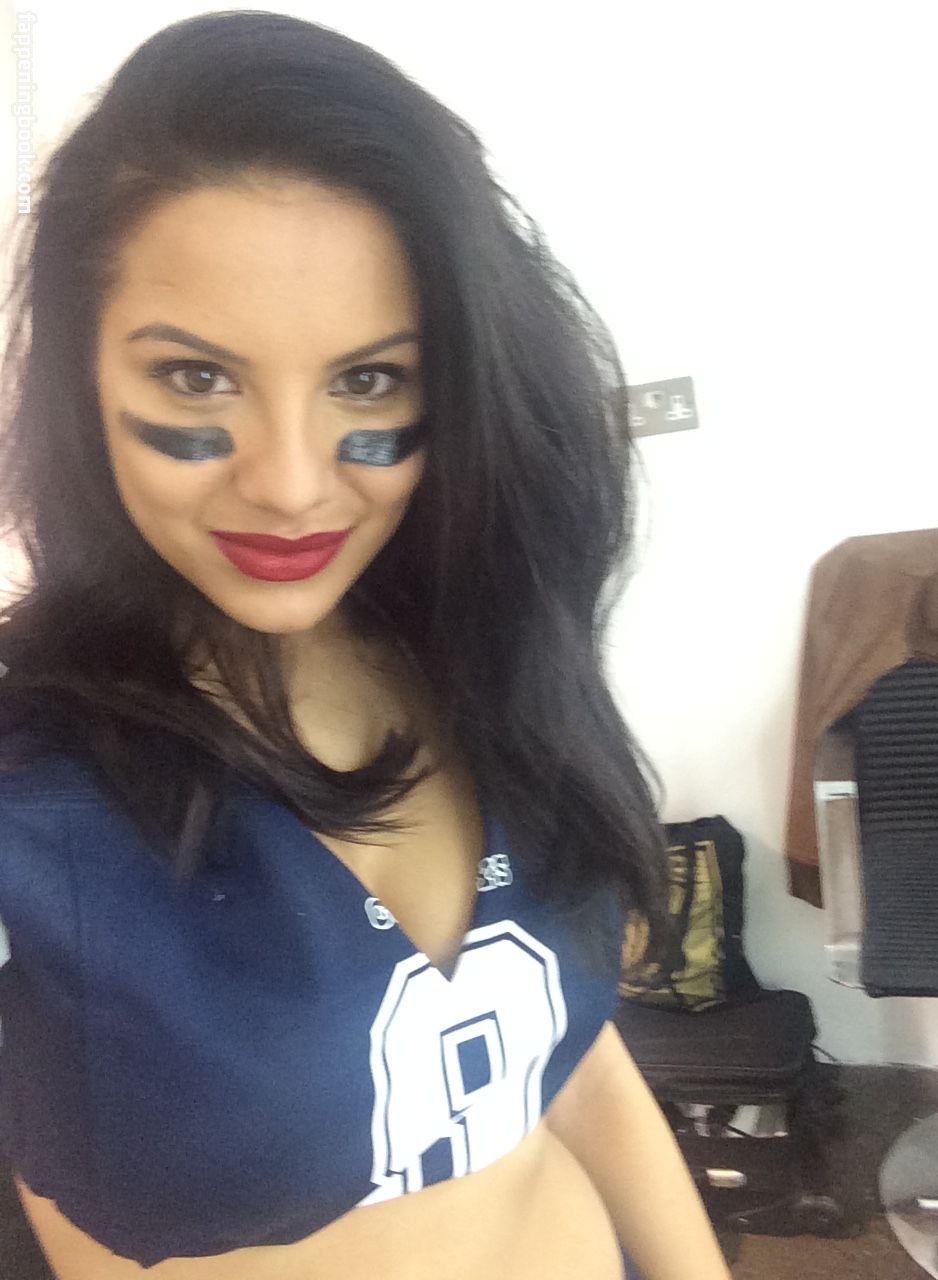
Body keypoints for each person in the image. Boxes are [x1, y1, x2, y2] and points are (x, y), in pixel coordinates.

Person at [0, 12, 732, 1280]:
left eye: (368, 380)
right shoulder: (30, 785)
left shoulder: (489, 668)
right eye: (198, 378)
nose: (291, 483)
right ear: (80, 377)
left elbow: (572, 1064)